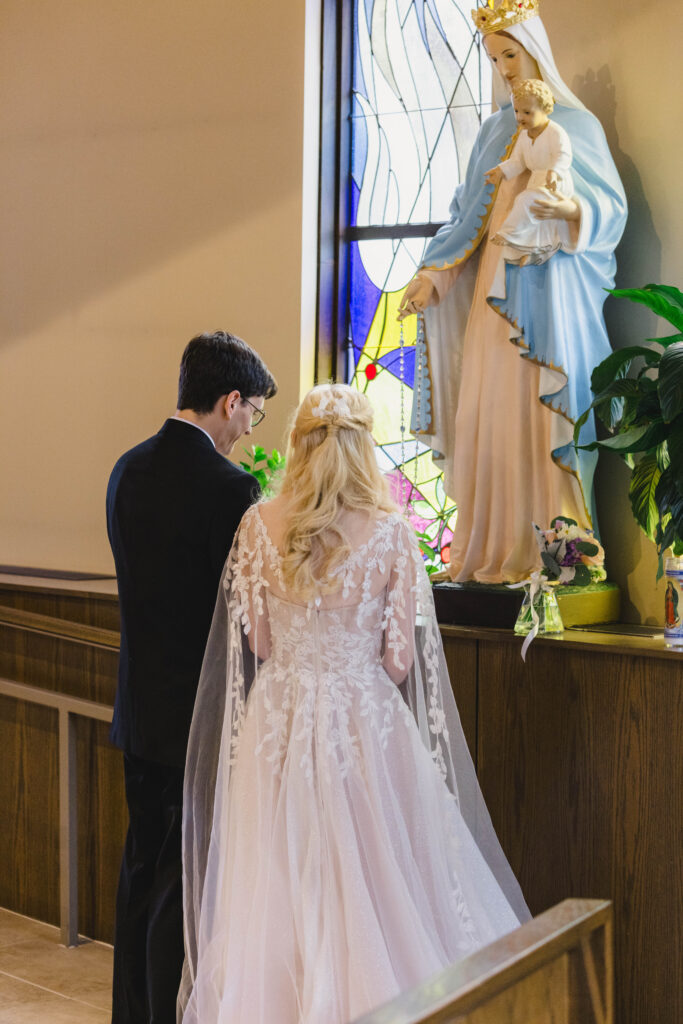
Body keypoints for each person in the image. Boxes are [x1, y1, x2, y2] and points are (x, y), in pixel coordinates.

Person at [178, 383, 529, 1024]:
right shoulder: (393, 536)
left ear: (300, 446)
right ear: (364, 447)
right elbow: (400, 662)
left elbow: (254, 641)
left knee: (277, 875)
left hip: (278, 719)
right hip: (363, 720)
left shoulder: (258, 524)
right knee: (377, 874)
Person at [398, 0, 627, 583]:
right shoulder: (497, 131)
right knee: (489, 418)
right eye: (494, 56)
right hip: (492, 305)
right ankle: (486, 550)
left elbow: (611, 211)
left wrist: (570, 208)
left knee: (546, 420)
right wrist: (435, 275)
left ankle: (559, 557)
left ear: (535, 50)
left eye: (510, 53)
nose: (503, 66)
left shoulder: (579, 127)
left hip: (550, 300)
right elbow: (467, 219)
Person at [106, 330, 276, 1023]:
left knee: (140, 873)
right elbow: (239, 611)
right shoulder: (230, 489)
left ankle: (129, 1013)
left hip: (140, 709)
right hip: (200, 719)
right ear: (229, 400)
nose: (248, 428)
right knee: (184, 888)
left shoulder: (125, 468)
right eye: (252, 413)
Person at [487, 78, 574, 266]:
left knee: (525, 201)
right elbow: (519, 161)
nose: (520, 117)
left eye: (527, 112)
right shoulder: (525, 135)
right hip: (536, 181)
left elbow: (564, 155)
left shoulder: (555, 132)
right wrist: (501, 171)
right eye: (517, 111)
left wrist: (554, 172)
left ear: (544, 109)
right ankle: (534, 252)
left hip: (554, 182)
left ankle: (508, 233)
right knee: (535, 216)